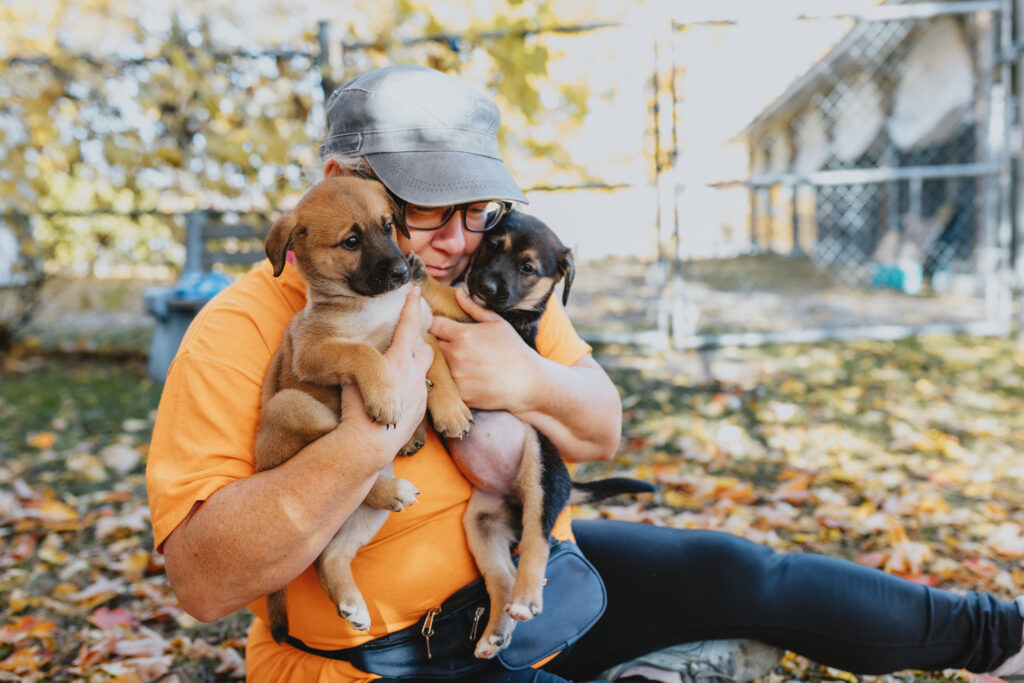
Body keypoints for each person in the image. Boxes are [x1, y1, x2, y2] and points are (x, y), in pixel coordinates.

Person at [145, 65, 1024, 683]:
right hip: (385, 656)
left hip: (548, 577)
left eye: (476, 209)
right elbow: (203, 579)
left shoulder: (474, 278)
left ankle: (1000, 635)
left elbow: (601, 428)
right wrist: (378, 419)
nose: (459, 241)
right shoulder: (242, 327)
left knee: (750, 573)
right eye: (424, 214)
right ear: (345, 187)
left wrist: (522, 378)